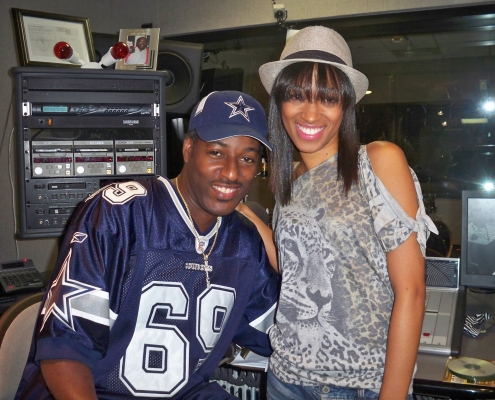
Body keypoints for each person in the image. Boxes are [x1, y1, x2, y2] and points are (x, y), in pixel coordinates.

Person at [15, 90, 280, 400]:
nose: (232, 172)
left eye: (247, 158)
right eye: (216, 153)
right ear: (189, 149)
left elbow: (283, 336)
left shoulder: (244, 242)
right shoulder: (118, 214)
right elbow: (66, 350)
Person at [258, 26, 438, 400]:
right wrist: (246, 215)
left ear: (346, 106)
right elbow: (295, 269)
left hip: (360, 385)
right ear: (280, 102)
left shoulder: (377, 161)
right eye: (296, 95)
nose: (310, 112)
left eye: (327, 98)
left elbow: (412, 291)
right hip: (286, 378)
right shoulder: (289, 179)